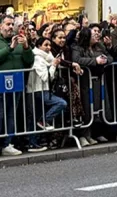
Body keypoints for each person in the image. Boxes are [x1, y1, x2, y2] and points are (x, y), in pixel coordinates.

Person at [25, 37, 69, 152]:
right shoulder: (37, 58)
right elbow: (45, 77)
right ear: (39, 46)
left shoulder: (47, 58)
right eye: (46, 45)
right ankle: (42, 125)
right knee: (61, 103)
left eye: (49, 45)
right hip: (37, 90)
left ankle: (34, 142)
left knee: (34, 116)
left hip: (43, 89)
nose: (49, 47)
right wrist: (54, 65)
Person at [0, 15, 34, 156]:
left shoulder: (20, 42)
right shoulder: (6, 43)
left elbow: (29, 61)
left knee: (11, 115)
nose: (10, 27)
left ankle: (7, 143)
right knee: (1, 115)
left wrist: (26, 47)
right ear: (0, 26)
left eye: (12, 24)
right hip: (1, 84)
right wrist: (10, 48)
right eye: (7, 24)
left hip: (16, 84)